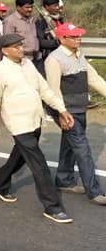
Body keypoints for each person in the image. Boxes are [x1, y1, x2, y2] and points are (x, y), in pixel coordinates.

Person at [0, 33, 74, 224]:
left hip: (35, 119)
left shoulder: (28, 64)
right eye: (16, 48)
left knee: (19, 157)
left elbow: (44, 90)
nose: (21, 50)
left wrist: (61, 109)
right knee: (39, 164)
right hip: (18, 124)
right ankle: (53, 207)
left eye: (21, 46)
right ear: (5, 51)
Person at [45, 23, 106, 204]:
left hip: (79, 107)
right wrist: (61, 114)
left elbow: (94, 78)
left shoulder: (80, 55)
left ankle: (64, 180)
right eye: (74, 36)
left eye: (79, 36)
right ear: (62, 39)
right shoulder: (54, 60)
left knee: (70, 145)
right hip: (66, 110)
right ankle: (94, 192)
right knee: (82, 148)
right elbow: (53, 90)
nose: (78, 39)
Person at [2, 0, 39, 64]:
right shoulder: (10, 21)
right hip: (22, 59)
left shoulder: (31, 19)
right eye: (27, 7)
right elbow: (8, 43)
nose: (30, 9)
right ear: (18, 7)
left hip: (36, 57)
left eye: (31, 7)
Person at [35, 0, 64, 74]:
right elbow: (41, 42)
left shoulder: (59, 18)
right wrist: (57, 42)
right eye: (55, 6)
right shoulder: (40, 22)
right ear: (46, 6)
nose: (57, 8)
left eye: (58, 5)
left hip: (62, 54)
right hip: (50, 55)